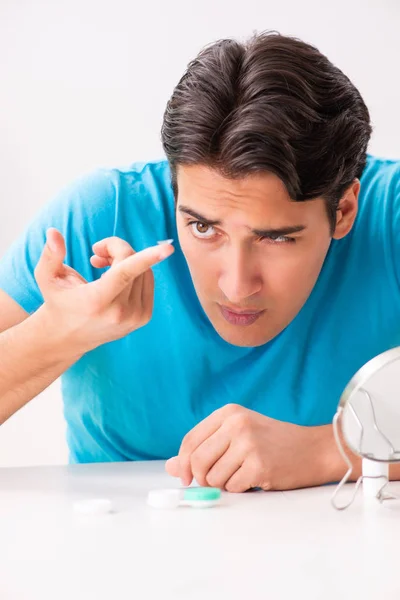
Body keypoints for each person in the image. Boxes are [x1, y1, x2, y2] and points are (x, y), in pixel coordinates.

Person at [0, 31, 399, 493]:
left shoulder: (388, 216)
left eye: (276, 238)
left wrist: (332, 450)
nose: (235, 286)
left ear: (344, 210)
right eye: (203, 228)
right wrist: (54, 334)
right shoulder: (102, 215)